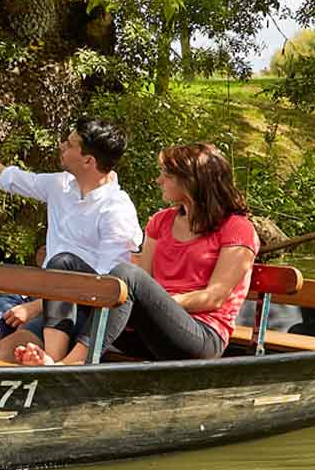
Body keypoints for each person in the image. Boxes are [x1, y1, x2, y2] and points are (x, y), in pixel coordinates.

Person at [0, 119, 142, 362]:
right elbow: (0, 175)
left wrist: (37, 307)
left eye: (70, 144)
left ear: (88, 160)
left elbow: (106, 287)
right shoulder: (60, 185)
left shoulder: (117, 210)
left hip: (72, 310)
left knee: (6, 351)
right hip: (32, 295)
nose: (61, 145)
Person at [17, 142, 258, 365]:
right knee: (63, 263)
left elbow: (213, 298)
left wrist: (157, 305)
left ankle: (73, 365)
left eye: (167, 175)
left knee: (125, 276)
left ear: (192, 181)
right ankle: (53, 359)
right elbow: (144, 279)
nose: (158, 180)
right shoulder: (161, 222)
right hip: (144, 332)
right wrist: (147, 306)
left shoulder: (237, 229)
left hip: (200, 337)